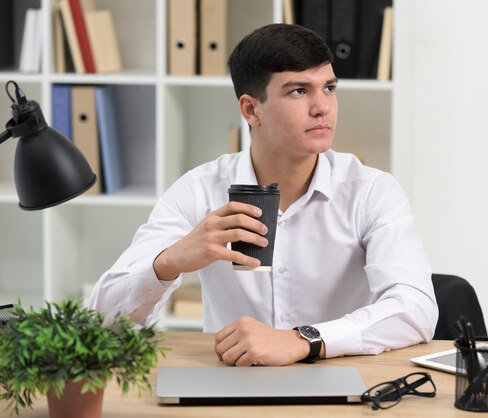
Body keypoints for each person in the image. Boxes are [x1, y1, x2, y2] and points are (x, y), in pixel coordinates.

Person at [88, 23, 437, 367]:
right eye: (299, 91)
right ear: (251, 110)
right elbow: (99, 324)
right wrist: (167, 263)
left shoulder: (371, 191)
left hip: (337, 375)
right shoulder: (199, 190)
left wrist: (304, 340)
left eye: (328, 88)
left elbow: (415, 309)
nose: (322, 107)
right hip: (230, 378)